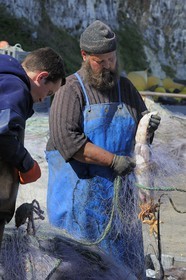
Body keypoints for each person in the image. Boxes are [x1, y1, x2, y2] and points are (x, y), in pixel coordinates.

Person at [46, 20, 160, 279]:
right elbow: (68, 141)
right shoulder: (69, 90)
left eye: (111, 58)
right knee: (81, 270)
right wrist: (112, 161)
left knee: (124, 269)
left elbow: (141, 141)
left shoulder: (126, 88)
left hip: (121, 206)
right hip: (80, 209)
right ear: (85, 56)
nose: (108, 65)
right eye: (101, 61)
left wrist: (149, 127)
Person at [0, 47, 66, 246]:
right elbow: (2, 134)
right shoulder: (15, 88)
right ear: (41, 77)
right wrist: (27, 164)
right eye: (49, 92)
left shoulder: (5, 76)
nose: (44, 99)